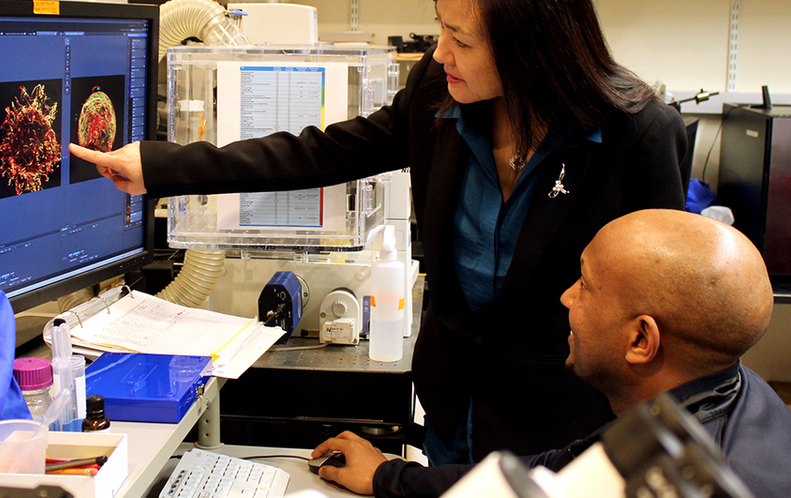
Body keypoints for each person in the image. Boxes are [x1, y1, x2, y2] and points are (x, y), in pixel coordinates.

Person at [69, 0, 688, 465]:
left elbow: (660, 326)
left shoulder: (636, 137)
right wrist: (162, 166)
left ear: (532, 50)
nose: (439, 52)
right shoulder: (438, 95)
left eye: (460, 39)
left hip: (564, 428)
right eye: (440, 28)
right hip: (452, 408)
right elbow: (323, 152)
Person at [312, 209, 791, 498]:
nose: (566, 297)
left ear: (641, 341)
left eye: (585, 284)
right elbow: (551, 473)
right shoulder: (725, 393)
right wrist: (388, 476)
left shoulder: (694, 478)